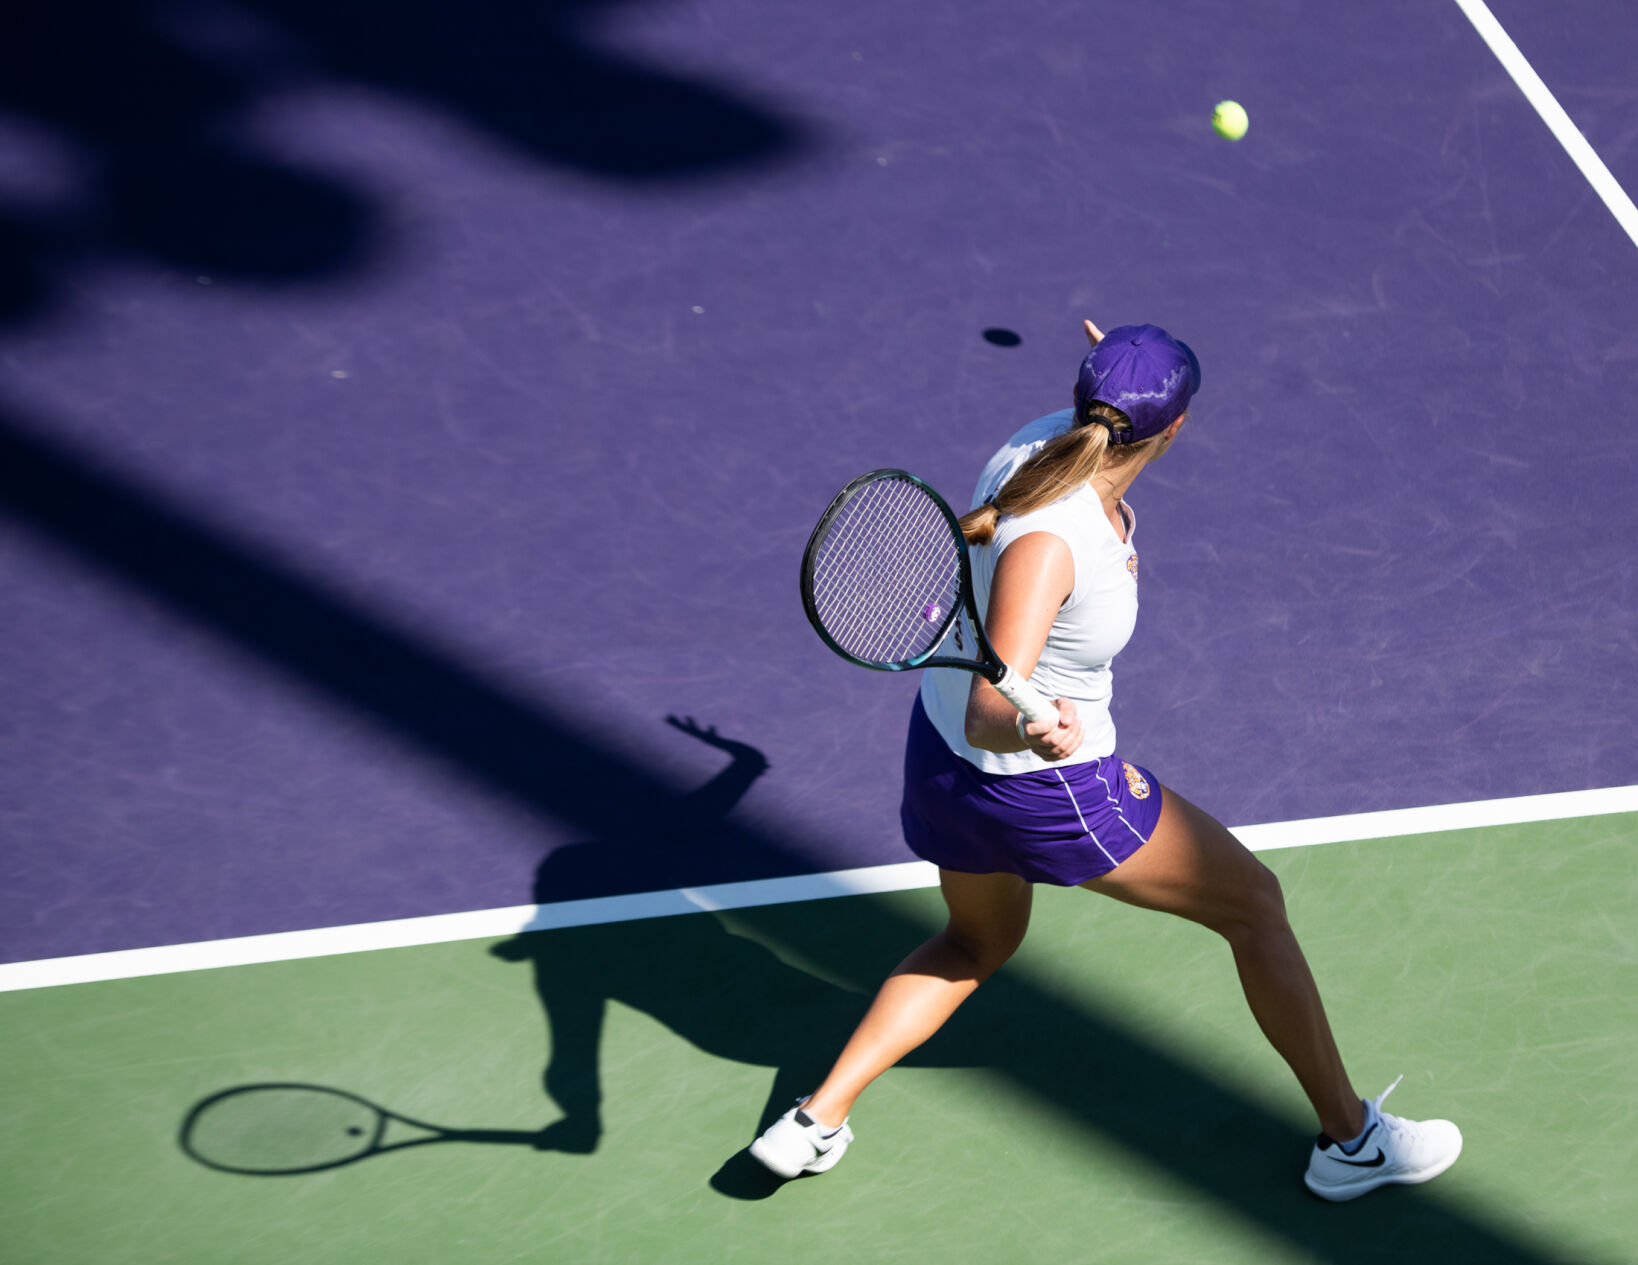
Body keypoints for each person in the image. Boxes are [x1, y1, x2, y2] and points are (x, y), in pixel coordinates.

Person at [750, 321, 1462, 1201]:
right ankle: (1350, 1143)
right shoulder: (1058, 542)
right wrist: (1035, 730)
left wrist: (1118, 352)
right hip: (1046, 788)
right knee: (1254, 906)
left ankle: (815, 1119)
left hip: (939, 770)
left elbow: (1109, 397)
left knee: (978, 937)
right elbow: (988, 711)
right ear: (1176, 429)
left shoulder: (1037, 442)